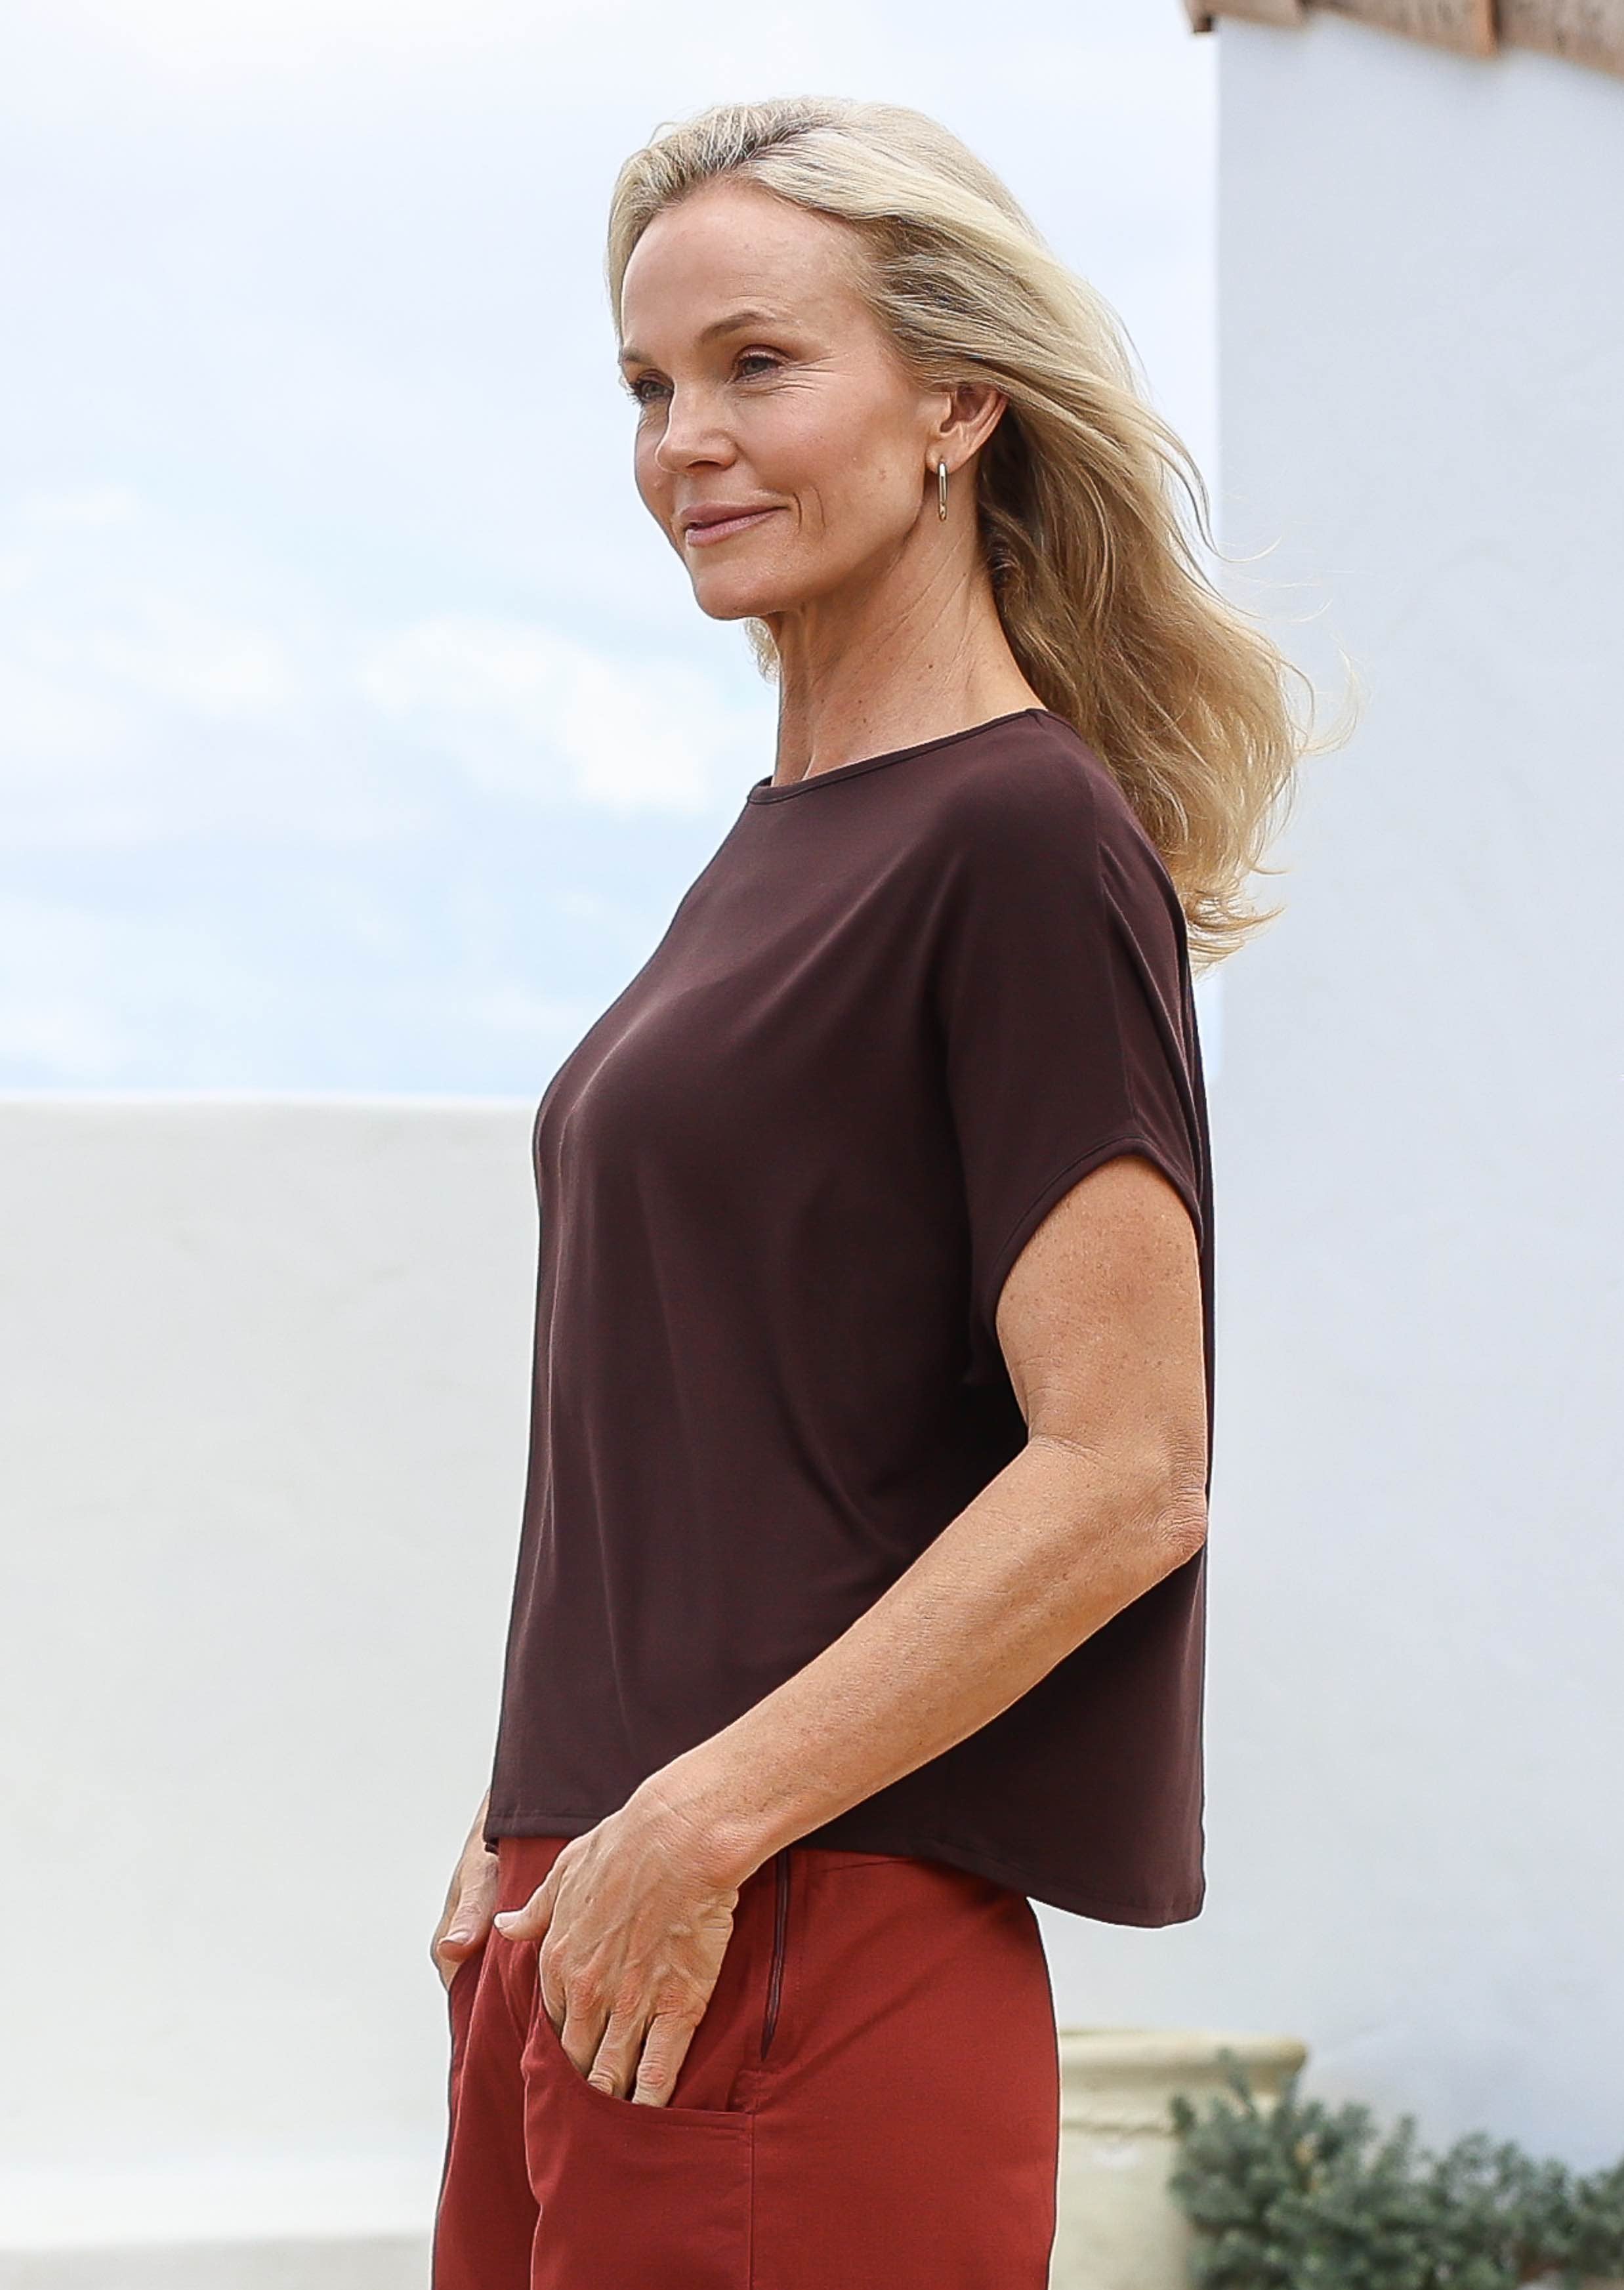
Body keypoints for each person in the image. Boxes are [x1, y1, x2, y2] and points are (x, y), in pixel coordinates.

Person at [428, 93, 1303, 2290]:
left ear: (955, 406)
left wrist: (692, 1818)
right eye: (646, 386)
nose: (682, 442)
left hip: (792, 1925)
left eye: (755, 365)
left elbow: (1126, 1467)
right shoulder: (773, 845)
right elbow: (722, 1417)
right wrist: (536, 1802)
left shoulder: (1016, 838)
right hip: (614, 1900)